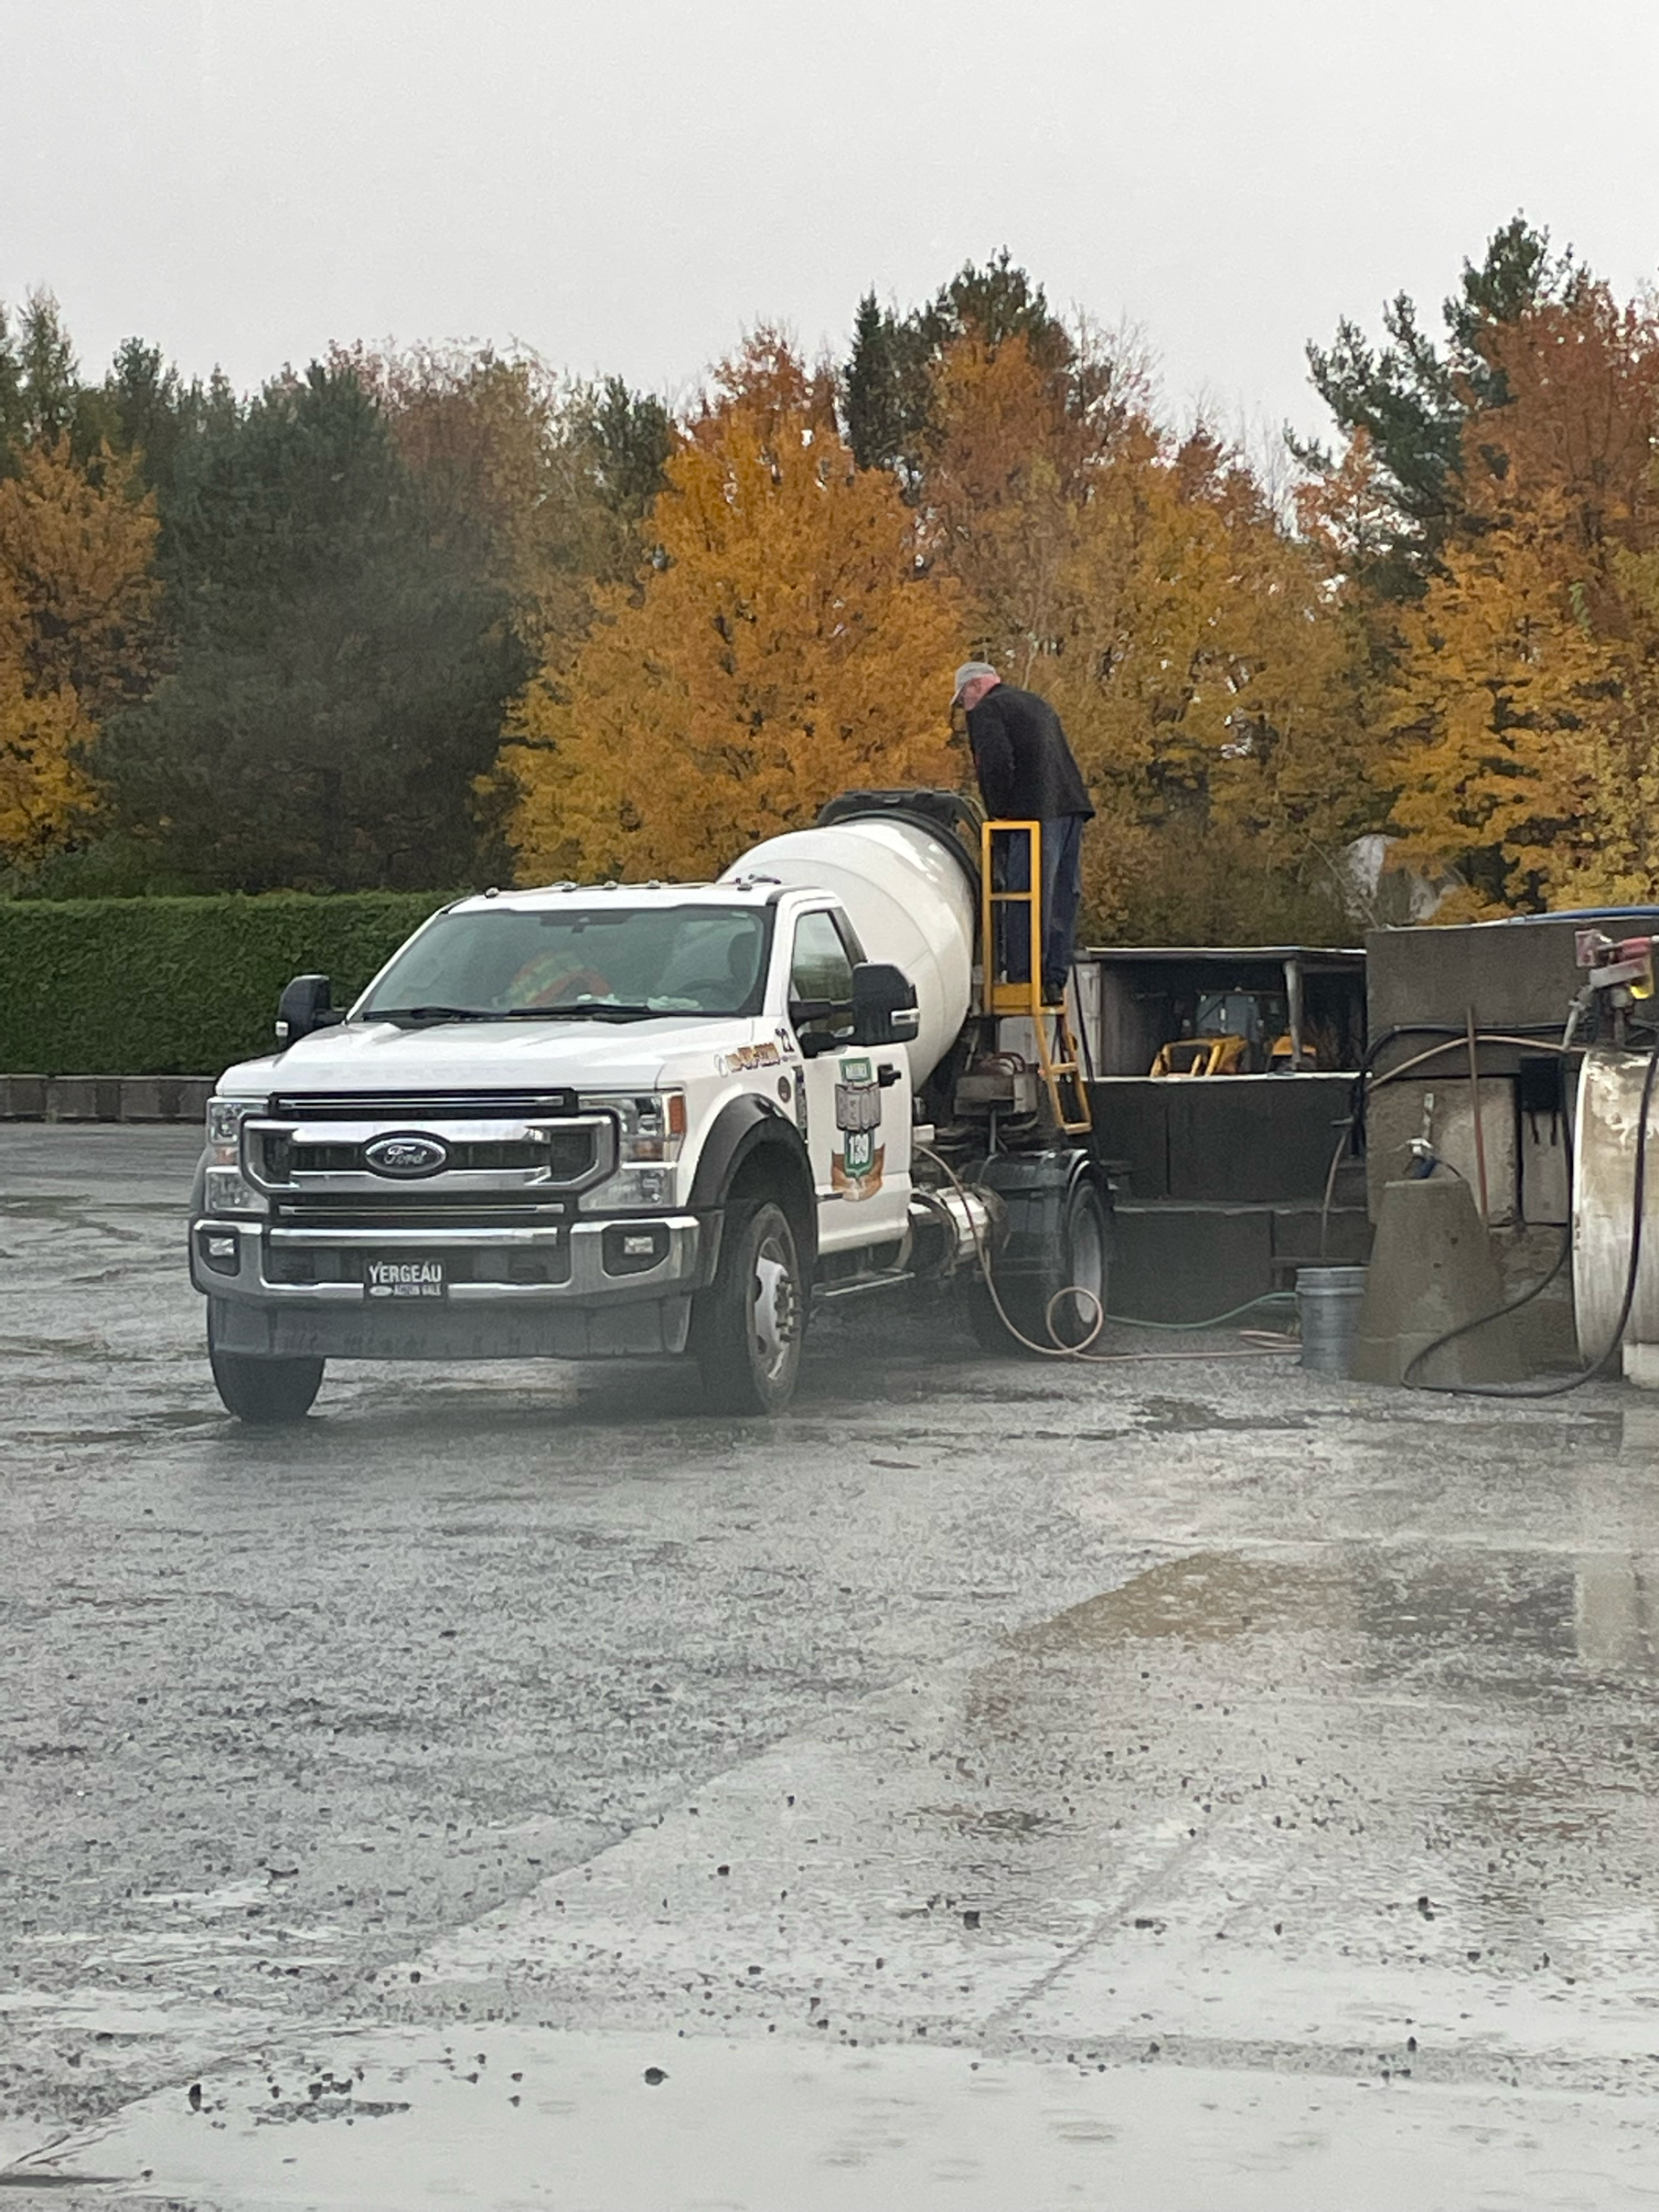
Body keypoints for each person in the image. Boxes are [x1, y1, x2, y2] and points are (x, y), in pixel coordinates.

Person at [953, 660, 1095, 1003]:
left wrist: (999, 812)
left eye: (962, 701)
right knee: (1062, 895)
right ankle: (1053, 979)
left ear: (974, 688)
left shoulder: (988, 710)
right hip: (1071, 808)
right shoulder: (1035, 702)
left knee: (1026, 894)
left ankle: (1024, 975)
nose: (964, 709)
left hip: (1033, 814)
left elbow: (996, 762)